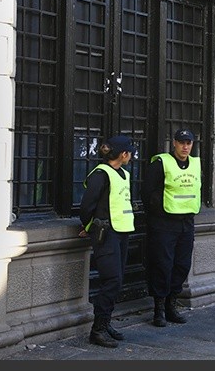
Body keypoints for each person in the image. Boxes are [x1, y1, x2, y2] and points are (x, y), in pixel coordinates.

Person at [78, 135, 138, 348]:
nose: (131, 155)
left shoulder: (124, 174)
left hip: (121, 232)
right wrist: (88, 228)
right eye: (129, 152)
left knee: (117, 280)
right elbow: (86, 207)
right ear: (123, 154)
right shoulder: (100, 175)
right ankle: (98, 330)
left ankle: (106, 322)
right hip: (106, 234)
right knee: (111, 281)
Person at [142, 128, 201, 327]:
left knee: (182, 265)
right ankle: (159, 309)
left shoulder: (195, 163)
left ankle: (171, 304)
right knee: (162, 265)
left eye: (189, 143)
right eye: (182, 142)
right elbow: (147, 192)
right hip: (164, 223)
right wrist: (157, 214)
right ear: (173, 143)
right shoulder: (161, 163)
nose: (185, 147)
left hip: (186, 222)